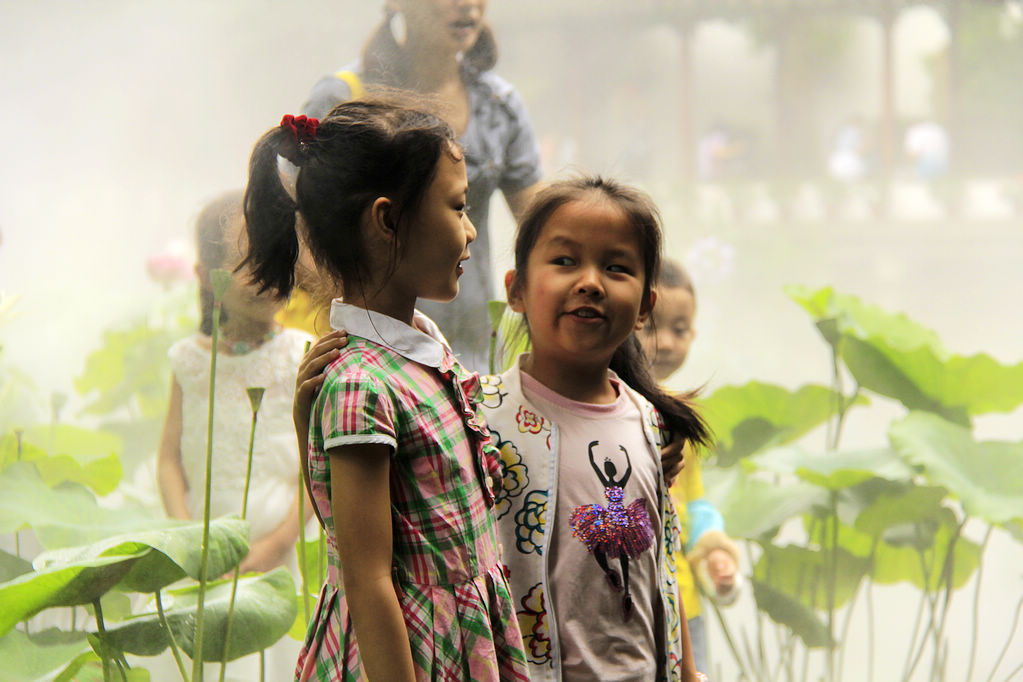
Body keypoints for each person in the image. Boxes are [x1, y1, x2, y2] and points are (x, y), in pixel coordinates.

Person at [242, 100, 529, 681]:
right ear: (388, 220)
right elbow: (366, 576)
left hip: (458, 633)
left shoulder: (421, 342)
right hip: (410, 655)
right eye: (457, 207)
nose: (471, 230)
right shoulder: (361, 384)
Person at [478, 176, 710, 681]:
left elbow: (661, 565)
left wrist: (689, 674)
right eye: (564, 261)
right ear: (515, 289)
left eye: (616, 267)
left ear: (645, 305)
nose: (590, 281)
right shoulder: (479, 417)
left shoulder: (648, 423)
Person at [300, 0, 543, 370]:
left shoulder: (499, 105)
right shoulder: (344, 100)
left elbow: (542, 229)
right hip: (374, 351)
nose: (466, 5)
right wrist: (365, 327)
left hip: (471, 351)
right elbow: (301, 224)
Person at [156, 190, 311, 679]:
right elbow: (168, 461)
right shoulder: (190, 361)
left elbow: (317, 464)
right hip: (202, 560)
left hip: (282, 562)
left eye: (277, 254)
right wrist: (187, 537)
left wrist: (280, 542)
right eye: (249, 260)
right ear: (207, 278)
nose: (267, 273)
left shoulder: (303, 355)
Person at [638, 259, 741, 675]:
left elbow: (694, 503)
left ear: (694, 333)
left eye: (679, 330)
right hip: (634, 602)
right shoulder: (608, 411)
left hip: (686, 603)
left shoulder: (681, 416)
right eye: (651, 326)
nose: (666, 342)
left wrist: (714, 549)